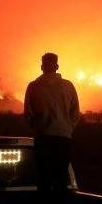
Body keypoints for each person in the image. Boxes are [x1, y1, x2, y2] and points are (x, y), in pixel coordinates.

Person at [24, 52, 81, 196]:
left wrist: (39, 128)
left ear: (42, 66)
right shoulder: (68, 86)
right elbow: (75, 113)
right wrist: (66, 128)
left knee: (43, 178)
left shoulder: (33, 87)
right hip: (64, 139)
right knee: (62, 178)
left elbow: (28, 114)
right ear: (57, 66)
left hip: (43, 139)